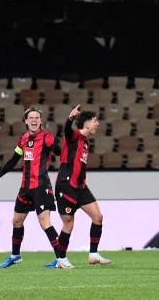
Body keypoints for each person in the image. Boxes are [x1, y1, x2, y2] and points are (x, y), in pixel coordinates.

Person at [0, 107, 61, 269]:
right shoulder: (23, 139)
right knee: (16, 221)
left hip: (41, 186)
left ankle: (61, 259)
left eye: (37, 117)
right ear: (26, 121)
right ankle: (15, 256)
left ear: (41, 121)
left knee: (44, 223)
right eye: (31, 118)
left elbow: (57, 151)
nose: (34, 120)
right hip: (25, 188)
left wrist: (56, 146)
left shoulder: (47, 137)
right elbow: (14, 160)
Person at [55, 105, 110, 269]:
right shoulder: (73, 137)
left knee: (98, 217)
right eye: (95, 121)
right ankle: (61, 260)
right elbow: (66, 129)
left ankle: (93, 254)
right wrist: (70, 118)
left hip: (81, 187)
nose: (97, 124)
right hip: (66, 186)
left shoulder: (85, 142)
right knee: (68, 224)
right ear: (86, 124)